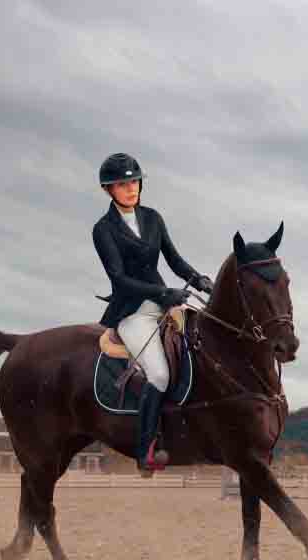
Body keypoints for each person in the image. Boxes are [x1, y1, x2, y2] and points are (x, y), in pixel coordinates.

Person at [92, 153, 213, 471]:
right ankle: (144, 448)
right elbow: (119, 279)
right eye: (122, 184)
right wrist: (163, 293)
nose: (131, 188)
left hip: (164, 301)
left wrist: (199, 280)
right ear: (108, 190)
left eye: (134, 181)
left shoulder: (153, 218)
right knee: (158, 374)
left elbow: (174, 259)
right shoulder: (103, 230)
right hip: (132, 310)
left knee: (204, 342)